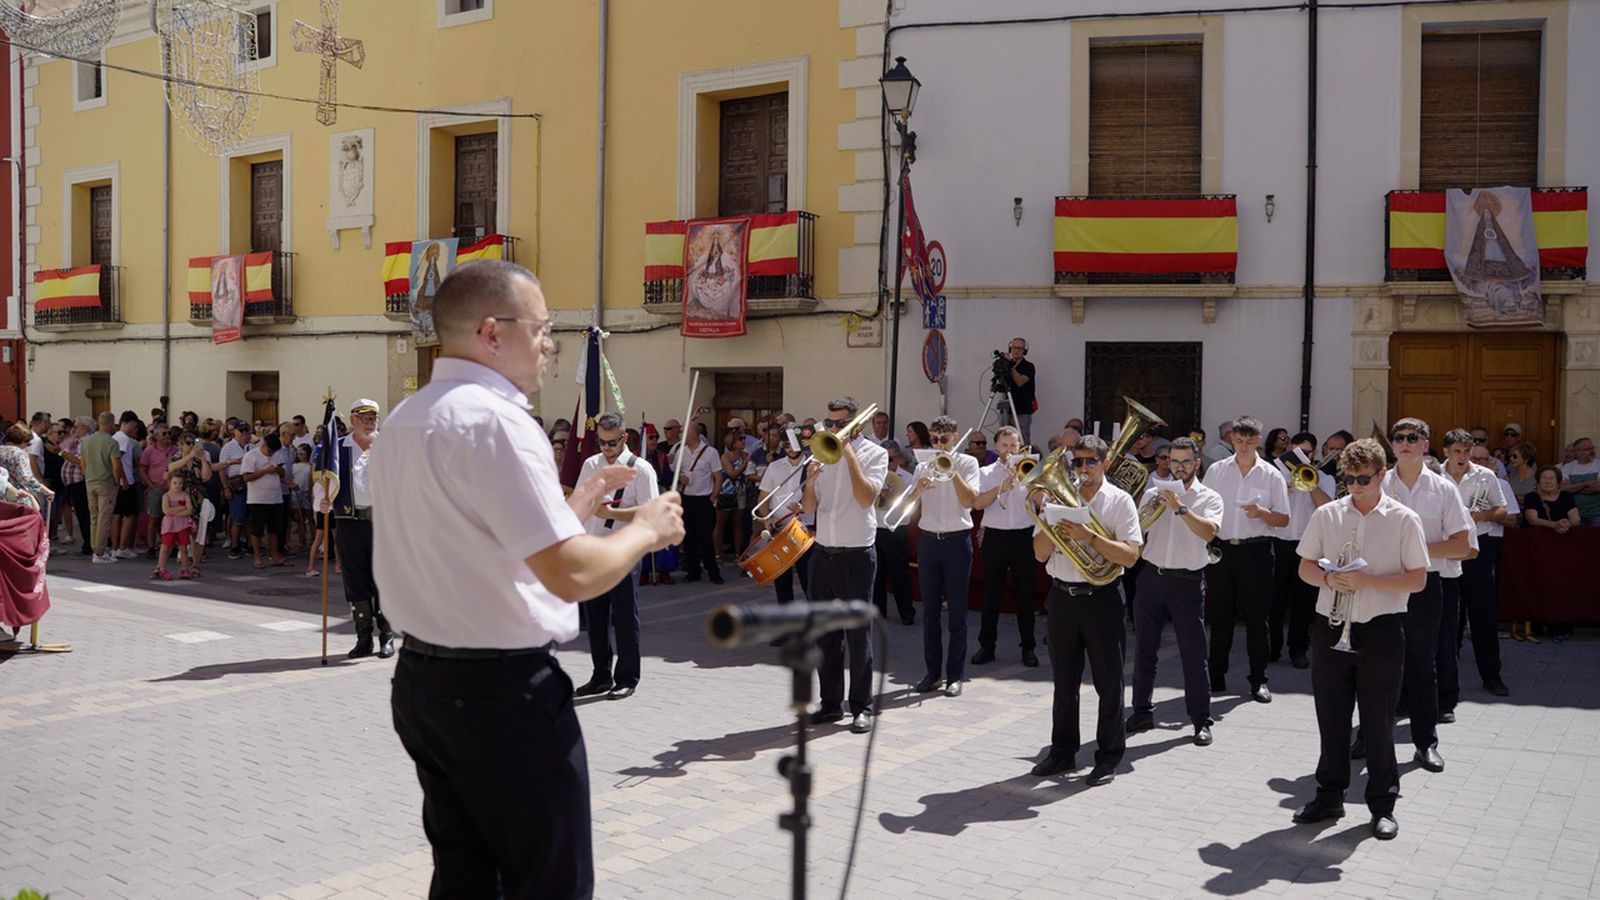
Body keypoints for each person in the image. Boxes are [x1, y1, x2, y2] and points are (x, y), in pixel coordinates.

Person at [373, 259, 683, 897]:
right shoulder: (496, 421)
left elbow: (487, 549)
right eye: (541, 328)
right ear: (492, 333)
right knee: (550, 884)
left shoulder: (409, 416)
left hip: (426, 683)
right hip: (499, 693)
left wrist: (581, 501)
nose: (548, 345)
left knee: (465, 877)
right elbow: (571, 573)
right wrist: (647, 530)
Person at [1291, 437, 1429, 842]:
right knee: (1331, 719)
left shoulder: (1404, 519)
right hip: (1331, 625)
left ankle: (1382, 805)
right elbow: (1305, 568)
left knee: (1378, 723)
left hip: (1381, 629)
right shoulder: (1328, 515)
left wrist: (1369, 581)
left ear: (1382, 474)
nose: (1355, 486)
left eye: (1363, 478)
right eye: (1348, 479)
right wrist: (1330, 578)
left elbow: (1418, 579)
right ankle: (1329, 796)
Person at [1029, 435, 1142, 786]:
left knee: (1109, 682)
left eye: (1090, 461)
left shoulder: (1120, 501)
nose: (1082, 469)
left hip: (1102, 598)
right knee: (1064, 682)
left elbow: (1131, 555)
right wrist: (1050, 522)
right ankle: (1062, 751)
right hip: (1062, 597)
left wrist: (1088, 536)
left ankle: (1108, 757)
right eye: (1076, 463)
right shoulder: (1059, 499)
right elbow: (1039, 553)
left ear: (1105, 464)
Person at [1374, 417, 1472, 774]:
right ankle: (1368, 737)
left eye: (1412, 437)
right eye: (1398, 437)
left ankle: (1425, 743)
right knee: (1375, 664)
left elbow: (1461, 544)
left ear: (1425, 444)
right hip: (1382, 582)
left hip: (1425, 585)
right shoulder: (1378, 483)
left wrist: (1413, 548)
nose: (1404, 442)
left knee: (1421, 665)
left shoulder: (1444, 489)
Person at [800, 396, 888, 735]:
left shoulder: (875, 454)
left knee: (857, 636)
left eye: (839, 424)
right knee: (826, 636)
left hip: (857, 554)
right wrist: (809, 480)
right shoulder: (820, 452)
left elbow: (867, 498)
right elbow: (810, 508)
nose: (832, 429)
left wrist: (848, 452)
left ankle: (861, 707)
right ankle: (830, 704)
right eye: (829, 423)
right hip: (822, 553)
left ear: (855, 425)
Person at [1127, 437, 1223, 746]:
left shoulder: (1209, 496)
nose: (1177, 467)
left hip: (1187, 581)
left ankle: (1200, 720)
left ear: (1197, 463)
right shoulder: (1153, 492)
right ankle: (1141, 711)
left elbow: (1209, 532)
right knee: (1144, 649)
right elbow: (1137, 531)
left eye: (1184, 462)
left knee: (1193, 654)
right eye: (1173, 461)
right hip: (1152, 577)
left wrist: (1180, 508)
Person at [1202, 416, 1290, 703]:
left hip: (1257, 551)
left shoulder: (1271, 475)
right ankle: (1215, 676)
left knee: (1257, 618)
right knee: (1220, 616)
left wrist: (1262, 513)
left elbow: (1283, 518)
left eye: (1249, 441)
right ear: (1232, 440)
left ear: (1257, 441)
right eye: (1238, 441)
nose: (1243, 446)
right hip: (1223, 549)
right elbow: (1204, 507)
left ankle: (1259, 679)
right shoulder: (1216, 471)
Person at [572, 412, 660, 701]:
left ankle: (627, 677)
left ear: (624, 438)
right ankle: (600, 675)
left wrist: (612, 513)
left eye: (611, 443)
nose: (606, 449)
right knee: (595, 618)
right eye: (601, 442)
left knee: (623, 616)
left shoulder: (641, 469)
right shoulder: (590, 464)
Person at [907, 416, 981, 698]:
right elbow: (911, 503)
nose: (939, 444)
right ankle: (933, 673)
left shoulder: (967, 463)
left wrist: (951, 471)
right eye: (935, 440)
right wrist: (919, 487)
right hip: (928, 542)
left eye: (944, 439)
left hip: (957, 542)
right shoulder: (922, 464)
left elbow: (969, 501)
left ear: (955, 438)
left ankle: (955, 676)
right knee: (930, 613)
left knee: (958, 613)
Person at [325, 399, 391, 658]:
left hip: (383, 523)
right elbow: (325, 481)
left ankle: (387, 636)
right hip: (349, 522)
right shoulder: (338, 448)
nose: (369, 420)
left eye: (373, 416)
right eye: (363, 416)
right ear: (352, 420)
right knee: (355, 580)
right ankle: (364, 639)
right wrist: (323, 497)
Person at [1447, 433, 1512, 698]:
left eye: (1466, 451)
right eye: (1457, 451)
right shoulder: (1434, 474)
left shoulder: (1486, 475)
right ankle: (1446, 680)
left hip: (1479, 545)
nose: (1462, 456)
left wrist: (1480, 515)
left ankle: (1492, 676)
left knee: (1483, 613)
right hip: (1448, 546)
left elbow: (1503, 511)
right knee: (1447, 616)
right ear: (1446, 451)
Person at [972, 426, 1040, 667]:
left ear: (1020, 446)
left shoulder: (1030, 469)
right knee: (991, 594)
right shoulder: (986, 472)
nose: (1009, 450)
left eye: (1013, 445)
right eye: (1004, 445)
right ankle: (987, 646)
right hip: (996, 537)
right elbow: (978, 503)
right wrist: (1001, 487)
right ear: (996, 447)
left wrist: (1030, 481)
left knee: (1025, 594)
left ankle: (1028, 648)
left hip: (1023, 536)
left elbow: (1043, 502)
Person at [1269, 432, 1335, 669]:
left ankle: (1298, 649)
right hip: (1278, 543)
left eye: (1305, 454)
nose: (1299, 459)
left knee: (1304, 603)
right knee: (1273, 600)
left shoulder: (1324, 478)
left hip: (1308, 547)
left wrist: (1310, 484)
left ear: (1313, 453)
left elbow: (1327, 506)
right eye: (1294, 454)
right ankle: (1272, 647)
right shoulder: (1276, 477)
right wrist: (1284, 489)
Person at [755, 431, 815, 610]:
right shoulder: (774, 467)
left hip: (804, 529)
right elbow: (763, 498)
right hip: (779, 529)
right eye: (786, 444)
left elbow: (821, 499)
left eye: (793, 444)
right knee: (782, 583)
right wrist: (768, 519)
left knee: (809, 581)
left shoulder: (812, 466)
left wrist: (804, 508)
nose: (790, 448)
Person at [871, 441, 914, 625]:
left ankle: (906, 611)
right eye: (883, 458)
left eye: (889, 459)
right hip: (875, 529)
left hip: (895, 529)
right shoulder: (873, 475)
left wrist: (894, 495)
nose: (887, 463)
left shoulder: (907, 478)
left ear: (898, 459)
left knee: (899, 573)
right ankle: (879, 612)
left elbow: (911, 506)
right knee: (877, 574)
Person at [676, 422, 722, 584]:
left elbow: (718, 477)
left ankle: (713, 571)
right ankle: (693, 570)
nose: (681, 434)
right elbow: (676, 472)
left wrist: (712, 498)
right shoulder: (680, 452)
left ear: (694, 433)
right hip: (687, 498)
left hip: (704, 499)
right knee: (689, 537)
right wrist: (681, 478)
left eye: (684, 431)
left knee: (705, 537)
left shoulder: (711, 452)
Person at [241, 431, 288, 569]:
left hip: (275, 497)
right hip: (258, 498)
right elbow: (246, 477)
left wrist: (278, 470)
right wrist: (265, 471)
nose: (271, 454)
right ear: (264, 445)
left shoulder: (277, 455)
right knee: (257, 529)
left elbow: (282, 472)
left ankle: (274, 554)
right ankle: (257, 556)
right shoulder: (251, 456)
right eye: (269, 450)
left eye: (273, 451)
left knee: (274, 529)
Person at [81, 411, 121, 563]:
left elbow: (82, 464)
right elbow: (116, 467)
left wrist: (89, 476)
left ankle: (95, 548)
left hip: (90, 481)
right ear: (110, 423)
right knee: (104, 518)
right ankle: (100, 552)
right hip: (106, 482)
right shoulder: (112, 443)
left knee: (94, 518)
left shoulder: (87, 441)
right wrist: (117, 482)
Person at [139, 424, 179, 555]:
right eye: (164, 434)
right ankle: (151, 547)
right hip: (156, 488)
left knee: (171, 519)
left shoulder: (175, 449)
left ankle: (170, 545)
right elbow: (142, 470)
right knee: (154, 518)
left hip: (172, 490)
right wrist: (150, 485)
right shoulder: (149, 451)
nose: (167, 436)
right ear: (156, 436)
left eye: (169, 433)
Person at [712, 428, 750, 565]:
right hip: (725, 491)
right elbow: (731, 473)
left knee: (737, 524)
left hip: (740, 491)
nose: (743, 442)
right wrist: (744, 466)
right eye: (740, 439)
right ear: (733, 443)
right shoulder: (725, 457)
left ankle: (738, 553)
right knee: (720, 524)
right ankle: (716, 553)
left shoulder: (745, 455)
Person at [220, 422, 255, 559]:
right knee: (238, 517)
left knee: (249, 518)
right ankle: (235, 545)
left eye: (247, 433)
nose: (244, 436)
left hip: (251, 484)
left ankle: (249, 544)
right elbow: (222, 469)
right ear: (235, 432)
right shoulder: (228, 448)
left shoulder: (251, 447)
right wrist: (226, 488)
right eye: (242, 433)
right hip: (236, 484)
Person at [59, 417, 93, 556]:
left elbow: (80, 461)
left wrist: (64, 454)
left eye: (77, 426)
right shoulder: (76, 441)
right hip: (73, 483)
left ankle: (88, 545)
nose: (74, 429)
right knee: (81, 513)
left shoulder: (86, 442)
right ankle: (88, 543)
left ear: (85, 428)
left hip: (81, 483)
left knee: (84, 514)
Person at [152, 473, 196, 580]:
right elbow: (166, 510)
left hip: (182, 524)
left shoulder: (185, 495)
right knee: (165, 547)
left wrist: (175, 512)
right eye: (175, 483)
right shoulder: (166, 496)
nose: (178, 485)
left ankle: (185, 568)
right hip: (170, 525)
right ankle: (161, 568)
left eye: (180, 483)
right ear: (170, 483)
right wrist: (181, 508)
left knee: (183, 548)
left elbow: (189, 510)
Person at [112, 412, 143, 558]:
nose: (134, 429)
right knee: (129, 515)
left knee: (117, 514)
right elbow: (118, 460)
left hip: (117, 481)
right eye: (134, 426)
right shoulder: (124, 439)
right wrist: (123, 479)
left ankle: (115, 546)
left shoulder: (115, 437)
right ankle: (123, 546)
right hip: (126, 482)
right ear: (128, 423)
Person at [996, 337, 1036, 444]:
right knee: (1003, 438)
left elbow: (1020, 382)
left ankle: (1024, 460)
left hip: (1021, 410)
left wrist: (1011, 366)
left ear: (1024, 351)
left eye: (1019, 348)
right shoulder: (1005, 365)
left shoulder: (1028, 366)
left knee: (1022, 440)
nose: (1016, 350)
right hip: (1006, 410)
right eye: (1014, 347)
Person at [1524, 465, 1579, 532]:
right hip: (1537, 537)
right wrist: (1554, 525)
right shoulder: (1531, 497)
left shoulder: (1566, 496)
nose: (1548, 482)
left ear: (1557, 482)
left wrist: (1565, 525)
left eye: (1551, 478)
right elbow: (1533, 520)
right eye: (1544, 478)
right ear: (1538, 482)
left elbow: (1576, 519)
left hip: (1562, 537)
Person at [1559, 436, 1599, 525]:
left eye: (1592, 448)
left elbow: (1597, 487)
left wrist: (1574, 487)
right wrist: (1585, 483)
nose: (1591, 451)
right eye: (1587, 449)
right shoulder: (1567, 467)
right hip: (1574, 514)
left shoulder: (1598, 465)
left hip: (1596, 514)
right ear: (1577, 451)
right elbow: (1564, 489)